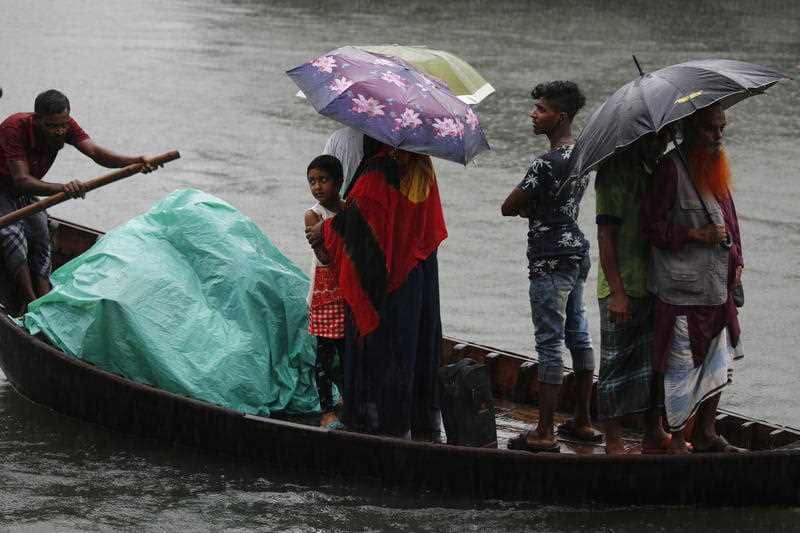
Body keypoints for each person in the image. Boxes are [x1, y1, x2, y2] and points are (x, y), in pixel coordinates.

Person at [305, 137, 447, 439]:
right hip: (420, 269)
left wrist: (325, 229)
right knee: (418, 343)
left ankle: (380, 423)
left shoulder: (378, 171)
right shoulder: (422, 164)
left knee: (386, 348)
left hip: (390, 279)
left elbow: (363, 228)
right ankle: (423, 422)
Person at [641, 103, 746, 454]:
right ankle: (671, 437)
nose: (718, 136)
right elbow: (652, 228)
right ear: (690, 131)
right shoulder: (670, 170)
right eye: (709, 129)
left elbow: (730, 222)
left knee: (720, 359)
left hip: (718, 287)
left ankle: (706, 432)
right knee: (676, 367)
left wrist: (739, 260)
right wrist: (696, 235)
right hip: (681, 289)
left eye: (722, 128)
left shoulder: (717, 165)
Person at [0, 89, 159, 314]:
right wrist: (64, 188)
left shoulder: (65, 124)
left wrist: (135, 162)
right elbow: (22, 180)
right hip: (5, 187)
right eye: (52, 127)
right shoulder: (14, 127)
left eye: (63, 125)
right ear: (37, 121)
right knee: (12, 234)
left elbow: (95, 152)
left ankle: (45, 298)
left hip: (21, 192)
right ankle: (29, 300)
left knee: (41, 231)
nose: (60, 132)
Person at [502, 81, 597, 452]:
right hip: (576, 251)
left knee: (549, 343)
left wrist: (530, 209)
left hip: (548, 257)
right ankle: (584, 421)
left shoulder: (545, 163)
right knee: (579, 333)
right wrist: (537, 207)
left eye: (540, 109)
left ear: (560, 116)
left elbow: (508, 206)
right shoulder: (583, 155)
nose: (533, 114)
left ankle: (543, 432)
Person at [595, 132, 672, 455]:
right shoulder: (614, 171)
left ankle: (653, 431)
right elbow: (605, 234)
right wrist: (617, 292)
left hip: (654, 281)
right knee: (616, 363)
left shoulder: (654, 170)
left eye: (666, 135)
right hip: (622, 284)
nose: (662, 141)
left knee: (655, 364)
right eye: (655, 136)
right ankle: (612, 439)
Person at [303, 155, 347, 423]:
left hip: (347, 293)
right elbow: (325, 257)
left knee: (348, 354)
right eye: (312, 181)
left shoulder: (349, 208)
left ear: (339, 181)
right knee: (325, 359)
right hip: (324, 296)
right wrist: (339, 227)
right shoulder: (313, 215)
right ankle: (326, 411)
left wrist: (334, 227)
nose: (317, 187)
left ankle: (348, 401)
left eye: (323, 180)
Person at [322, 127, 363, 196]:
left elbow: (323, 170)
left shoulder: (336, 136)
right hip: (363, 197)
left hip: (338, 198)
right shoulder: (378, 141)